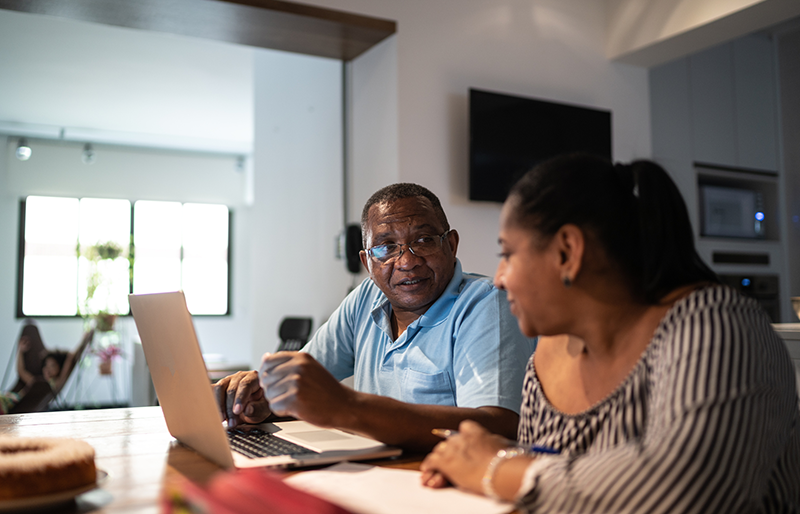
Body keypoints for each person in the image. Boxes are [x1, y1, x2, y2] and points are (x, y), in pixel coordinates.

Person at [420, 153, 800, 512]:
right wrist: (478, 462)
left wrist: (497, 469)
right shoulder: (549, 350)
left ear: (567, 251)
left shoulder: (718, 328)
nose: (499, 279)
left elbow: (684, 489)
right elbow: (554, 485)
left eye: (507, 254)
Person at [215, 183, 536, 451]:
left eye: (423, 241)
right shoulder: (367, 298)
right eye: (386, 247)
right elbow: (303, 389)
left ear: (451, 245)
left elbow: (499, 427)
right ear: (367, 262)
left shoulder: (486, 303)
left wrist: (348, 407)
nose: (407, 261)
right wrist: (261, 402)